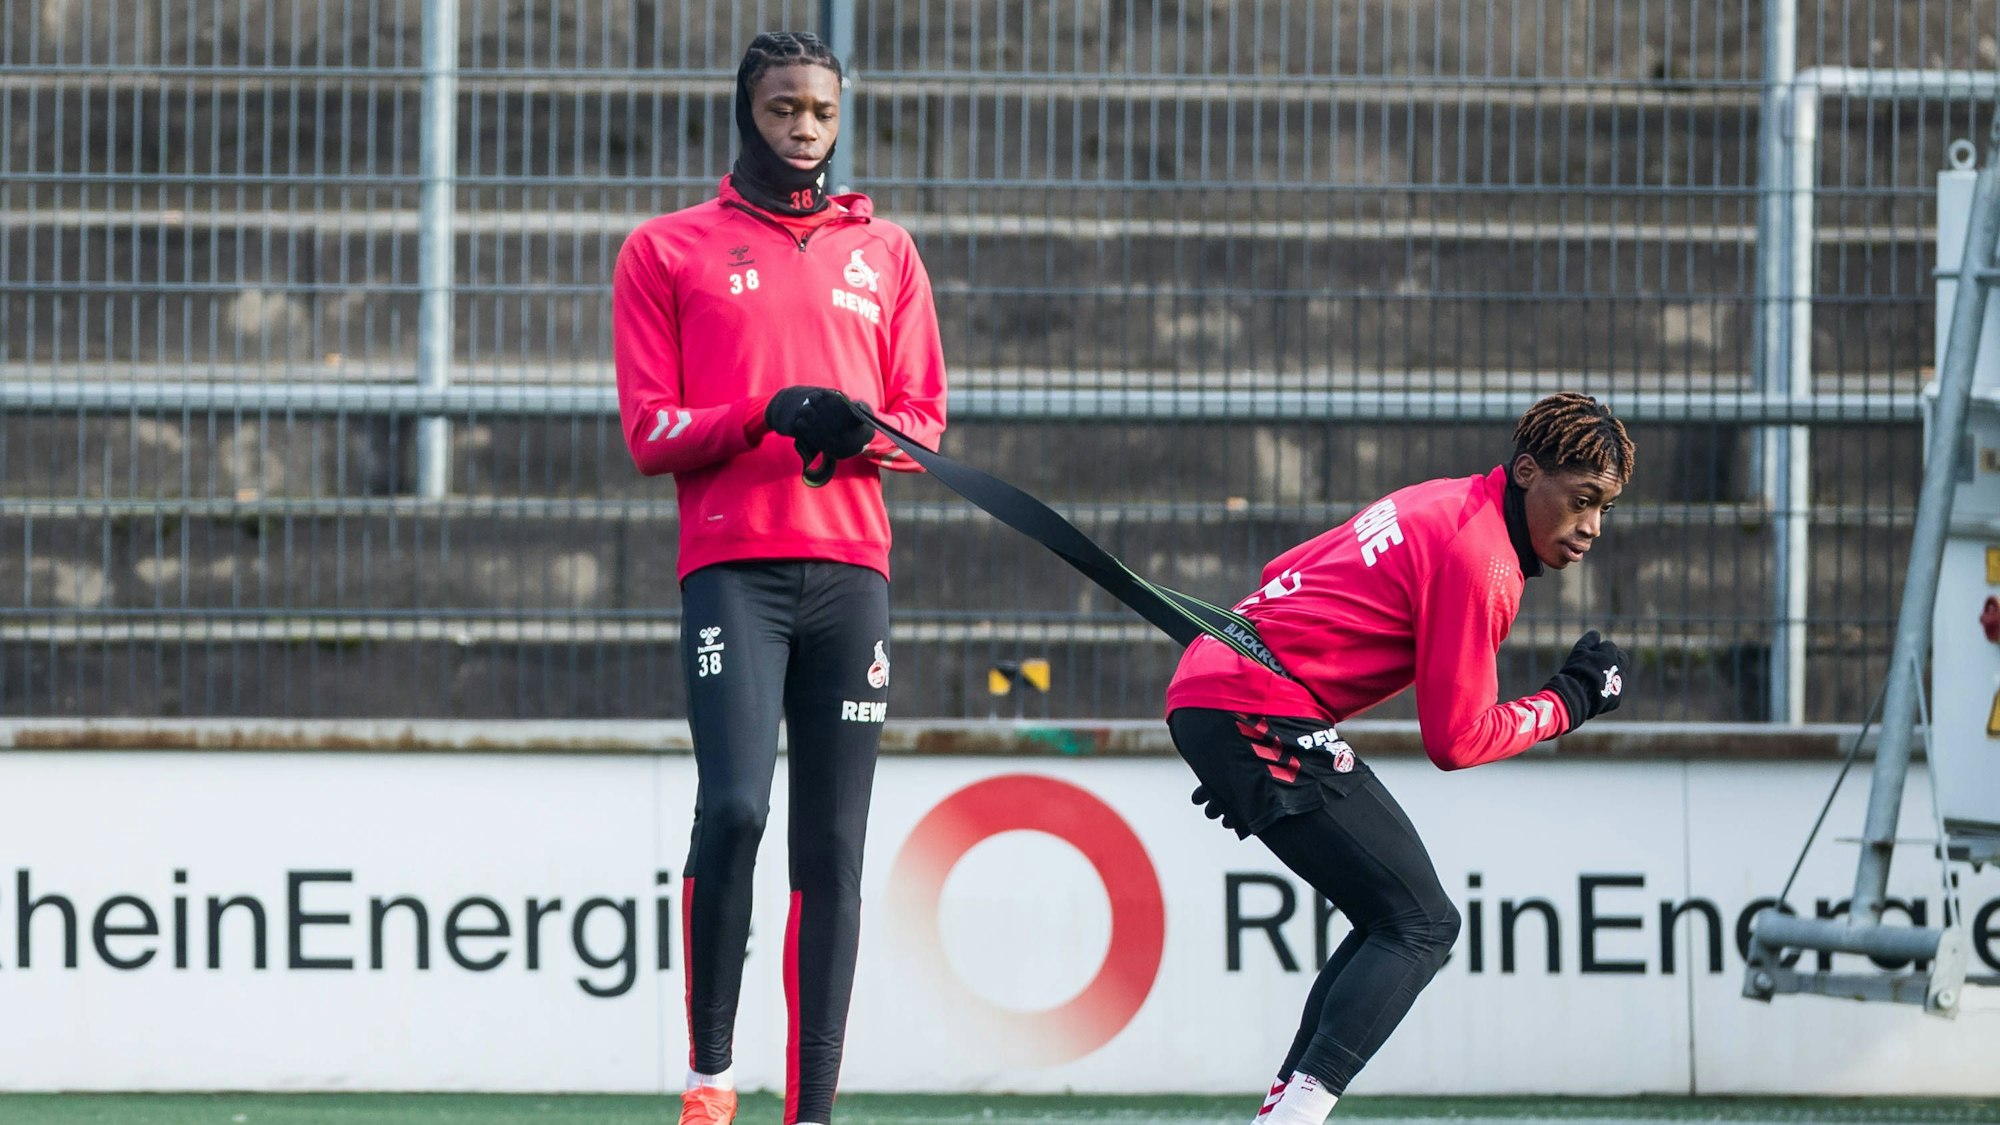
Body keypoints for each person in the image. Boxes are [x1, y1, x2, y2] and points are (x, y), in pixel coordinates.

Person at [611, 30, 947, 1125]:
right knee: (738, 805)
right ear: (742, 114)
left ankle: (812, 1113)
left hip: (851, 572)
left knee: (833, 849)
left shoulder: (884, 254)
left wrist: (860, 431)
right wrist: (761, 412)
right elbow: (650, 431)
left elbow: (922, 422)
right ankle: (710, 1080)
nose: (803, 129)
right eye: (781, 110)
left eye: (819, 111)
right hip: (731, 572)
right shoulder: (664, 250)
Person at [1165, 393, 1634, 1125]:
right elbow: (1458, 739)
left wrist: (1234, 740)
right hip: (1253, 703)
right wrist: (1569, 700)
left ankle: (1283, 1114)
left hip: (1223, 685)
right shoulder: (1485, 562)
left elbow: (1284, 566)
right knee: (1421, 923)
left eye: (1605, 508)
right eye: (1582, 500)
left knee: (1389, 915)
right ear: (1526, 471)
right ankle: (1293, 1118)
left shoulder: (1440, 498)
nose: (1592, 527)